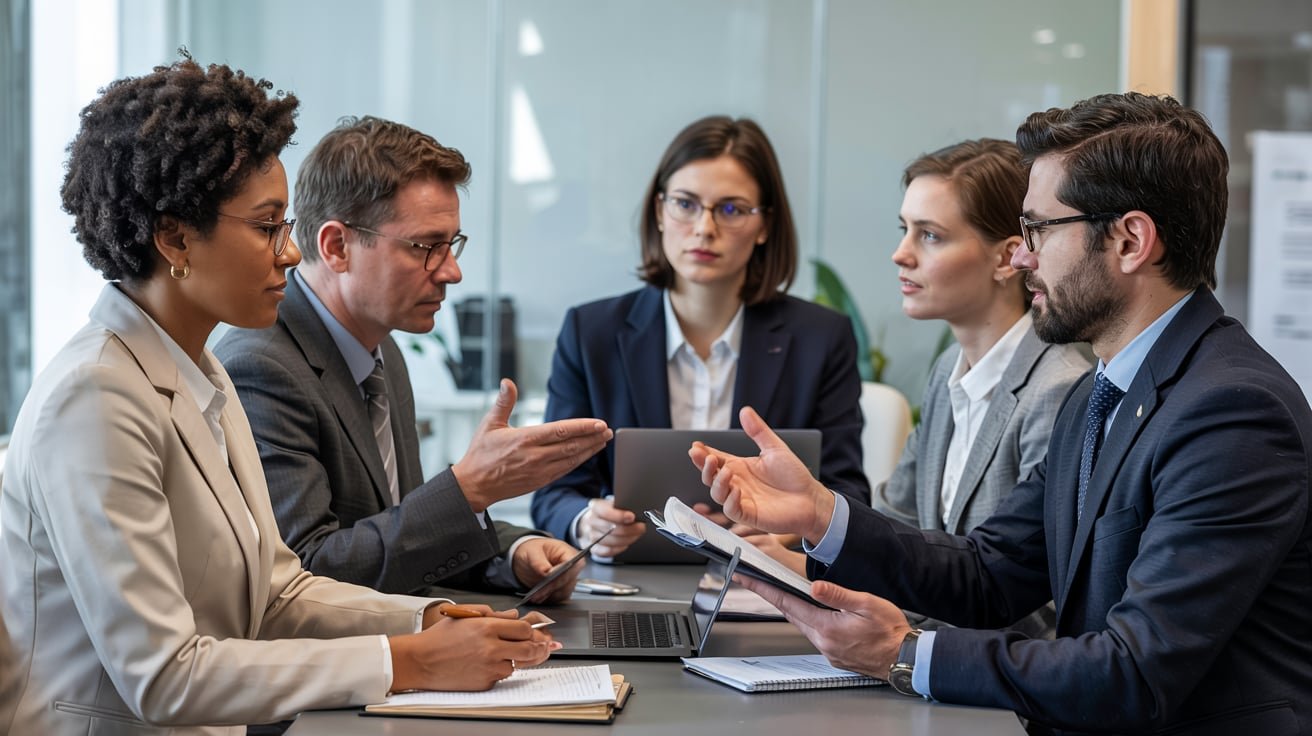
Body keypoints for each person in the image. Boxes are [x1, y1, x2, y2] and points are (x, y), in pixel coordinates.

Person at [691, 92, 1312, 735]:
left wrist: (904, 656)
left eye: (1039, 229)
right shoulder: (1102, 391)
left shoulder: (1232, 413)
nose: (1021, 256)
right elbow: (988, 574)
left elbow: (1134, 674)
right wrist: (821, 514)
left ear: (1130, 241)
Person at [0, 58, 555, 736]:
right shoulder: (92, 398)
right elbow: (165, 678)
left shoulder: (201, 369)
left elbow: (277, 590)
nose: (290, 255)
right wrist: (407, 660)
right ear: (174, 237)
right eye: (268, 228)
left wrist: (429, 618)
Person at [215, 117, 611, 601]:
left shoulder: (382, 350)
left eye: (453, 244)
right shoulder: (262, 367)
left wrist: (515, 552)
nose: (452, 271)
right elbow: (309, 575)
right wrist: (468, 489)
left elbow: (401, 531)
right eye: (427, 247)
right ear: (337, 247)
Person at [749, 139, 1089, 639]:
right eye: (904, 230)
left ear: (1008, 258)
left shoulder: (1058, 390)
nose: (900, 254)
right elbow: (895, 524)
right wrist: (797, 557)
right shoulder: (950, 369)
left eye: (929, 235)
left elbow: (1036, 606)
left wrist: (899, 641)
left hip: (993, 698)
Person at [529, 115, 869, 558]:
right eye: (685, 204)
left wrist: (788, 531)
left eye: (731, 209)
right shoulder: (591, 333)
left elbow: (848, 492)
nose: (705, 228)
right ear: (659, 211)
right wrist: (586, 520)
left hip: (764, 583)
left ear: (765, 225)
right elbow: (555, 493)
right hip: (628, 580)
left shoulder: (820, 338)